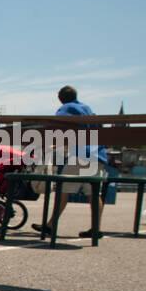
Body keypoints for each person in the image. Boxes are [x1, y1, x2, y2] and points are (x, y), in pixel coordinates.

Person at [32, 85, 110, 239]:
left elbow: (57, 126)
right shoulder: (87, 108)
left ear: (60, 98)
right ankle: (96, 228)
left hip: (80, 155)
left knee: (63, 189)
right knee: (93, 193)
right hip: (97, 154)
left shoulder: (67, 108)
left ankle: (50, 225)